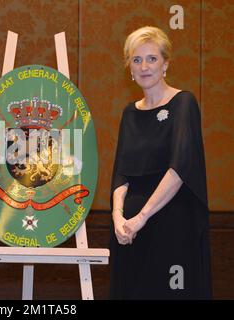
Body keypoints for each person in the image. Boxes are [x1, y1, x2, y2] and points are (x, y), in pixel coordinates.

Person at [109, 26, 212, 299]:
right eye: (137, 59)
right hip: (130, 231)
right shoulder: (130, 112)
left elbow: (180, 168)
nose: (144, 66)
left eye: (152, 59)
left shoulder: (183, 103)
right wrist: (118, 217)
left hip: (169, 225)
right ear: (129, 68)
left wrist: (142, 217)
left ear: (166, 63)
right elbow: (121, 173)